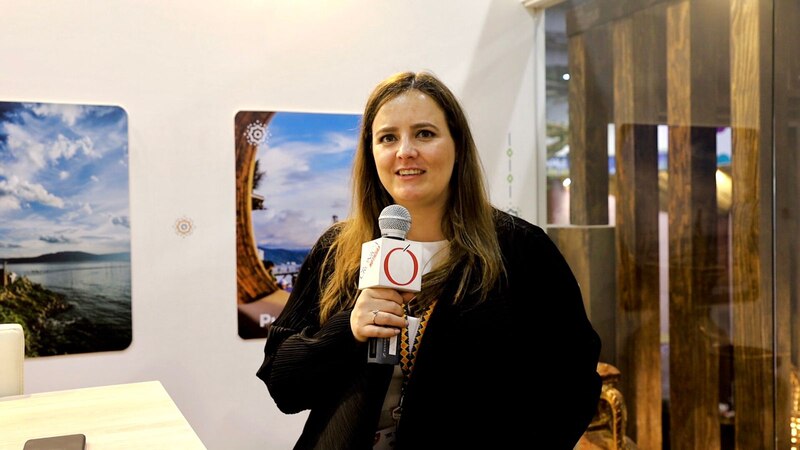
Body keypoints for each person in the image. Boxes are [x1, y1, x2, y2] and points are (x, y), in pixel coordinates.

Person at [257, 71, 601, 449]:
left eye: (424, 133)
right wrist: (347, 330)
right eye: (388, 137)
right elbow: (282, 384)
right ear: (372, 154)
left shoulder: (522, 250)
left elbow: (573, 388)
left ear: (458, 146)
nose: (405, 151)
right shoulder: (336, 250)